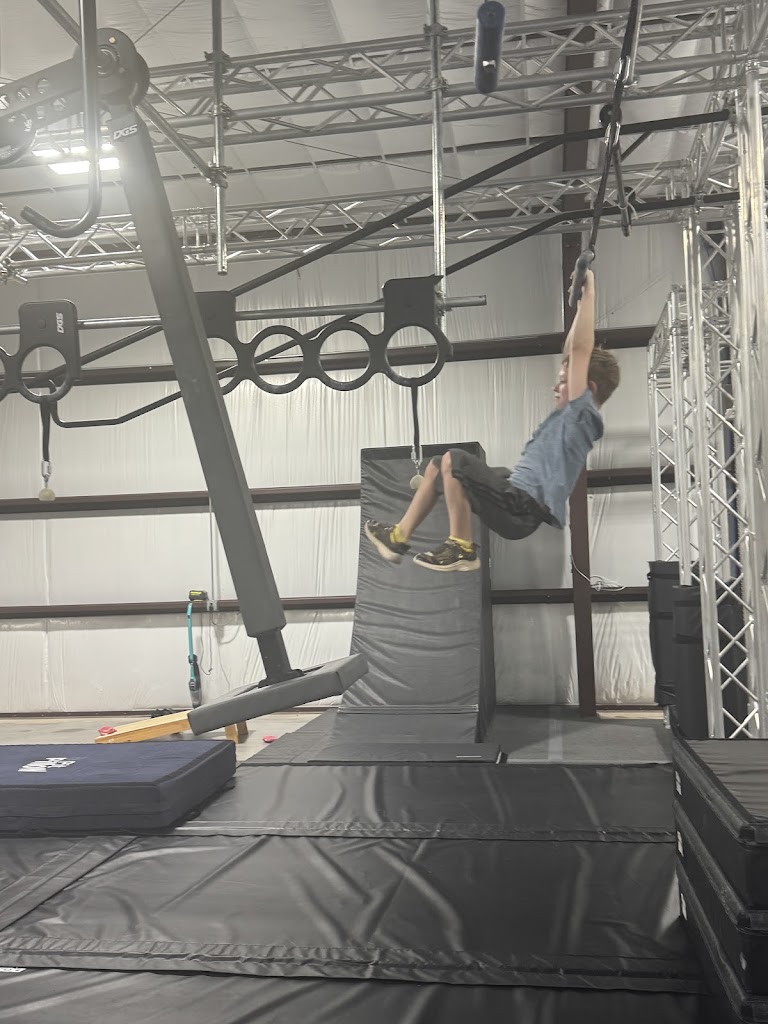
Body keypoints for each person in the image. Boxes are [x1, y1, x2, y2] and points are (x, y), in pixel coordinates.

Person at [364, 269, 619, 572]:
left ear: (589, 388)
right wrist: (577, 308)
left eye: (564, 381)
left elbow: (579, 351)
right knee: (437, 466)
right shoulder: (570, 417)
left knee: (456, 460)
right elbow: (570, 350)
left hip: (522, 507)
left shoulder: (582, 415)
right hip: (514, 495)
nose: (556, 386)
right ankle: (398, 537)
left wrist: (589, 294)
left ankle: (461, 546)